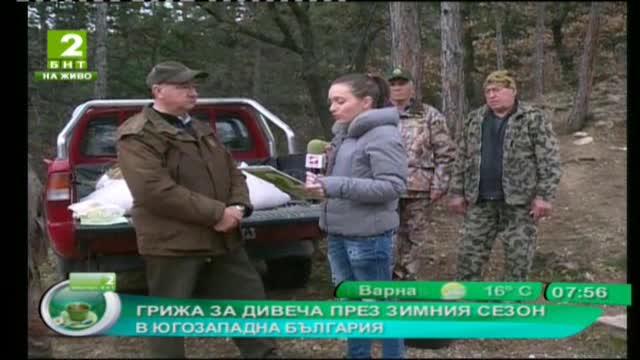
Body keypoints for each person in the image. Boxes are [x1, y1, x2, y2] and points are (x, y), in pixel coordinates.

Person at [117, 61, 278, 359]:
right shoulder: (138, 134)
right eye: (183, 87)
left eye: (194, 86)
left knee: (248, 304)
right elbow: (154, 191)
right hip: (173, 243)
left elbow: (234, 173)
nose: (193, 92)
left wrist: (238, 207)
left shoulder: (200, 128)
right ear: (158, 91)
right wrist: (218, 213)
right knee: (168, 320)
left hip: (224, 238)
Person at [305, 73, 408, 359]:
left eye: (340, 100)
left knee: (380, 307)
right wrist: (323, 176)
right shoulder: (344, 135)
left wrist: (333, 185)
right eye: (331, 102)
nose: (332, 107)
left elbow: (392, 187)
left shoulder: (383, 135)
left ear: (366, 102)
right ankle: (358, 354)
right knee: (351, 305)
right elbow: (352, 178)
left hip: (368, 238)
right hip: (338, 233)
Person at [448, 70, 562, 282]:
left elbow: (549, 159)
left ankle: (511, 306)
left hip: (519, 205)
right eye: (488, 91)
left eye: (497, 90)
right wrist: (456, 192)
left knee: (518, 260)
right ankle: (470, 305)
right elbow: (461, 158)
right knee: (468, 257)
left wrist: (544, 197)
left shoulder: (532, 118)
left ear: (513, 91)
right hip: (480, 202)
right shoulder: (474, 119)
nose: (492, 95)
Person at [386, 67, 456, 281]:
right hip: (384, 187)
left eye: (402, 84)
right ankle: (385, 277)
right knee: (387, 234)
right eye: (393, 84)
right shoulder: (378, 114)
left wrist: (440, 184)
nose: (397, 88)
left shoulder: (429, 114)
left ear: (412, 88)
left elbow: (445, 152)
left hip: (419, 187)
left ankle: (408, 278)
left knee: (415, 235)